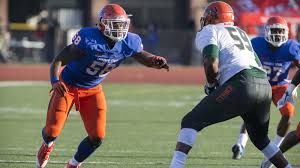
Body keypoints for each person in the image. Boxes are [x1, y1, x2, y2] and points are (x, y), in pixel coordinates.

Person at [35, 4, 169, 168]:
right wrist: (55, 80)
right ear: (102, 24)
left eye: (122, 24)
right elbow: (59, 60)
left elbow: (141, 56)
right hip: (67, 86)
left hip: (92, 90)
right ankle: (47, 145)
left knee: (97, 137)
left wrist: (154, 60)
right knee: (52, 131)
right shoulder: (89, 38)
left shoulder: (129, 41)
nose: (120, 29)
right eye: (115, 24)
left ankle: (74, 164)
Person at [169, 2, 292, 168]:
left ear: (212, 17)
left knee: (190, 121)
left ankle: (175, 166)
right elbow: (254, 62)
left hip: (242, 83)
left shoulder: (210, 30)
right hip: (264, 85)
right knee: (261, 140)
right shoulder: (240, 31)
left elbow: (211, 62)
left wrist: (211, 85)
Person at [232, 16, 300, 160]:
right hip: (260, 83)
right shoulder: (256, 44)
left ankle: (275, 148)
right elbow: (243, 62)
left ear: (286, 32)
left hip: (280, 85)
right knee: (252, 113)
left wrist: (294, 86)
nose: (277, 35)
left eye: (280, 31)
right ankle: (240, 143)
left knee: (288, 113)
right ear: (266, 32)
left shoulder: (291, 47)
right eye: (274, 31)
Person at [260, 62, 300, 168]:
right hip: (264, 85)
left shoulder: (291, 47)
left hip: (279, 86)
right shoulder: (258, 45)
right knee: (298, 135)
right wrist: (291, 89)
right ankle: (273, 156)